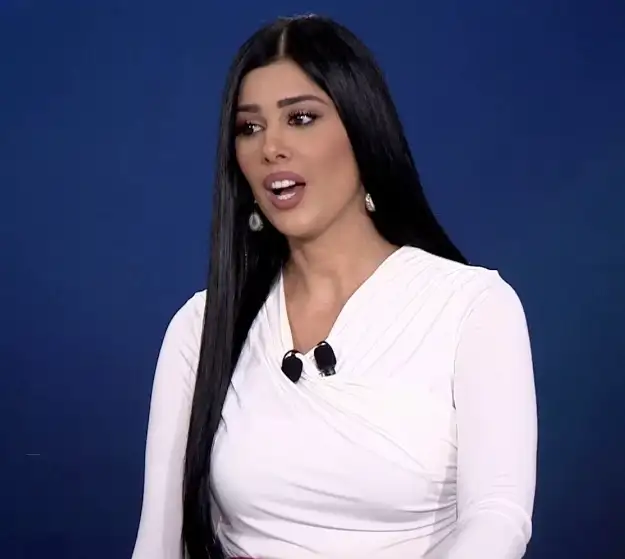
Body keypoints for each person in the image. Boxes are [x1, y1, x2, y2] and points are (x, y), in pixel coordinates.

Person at [131, 14, 538, 559]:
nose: (271, 147)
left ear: (362, 130)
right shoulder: (202, 329)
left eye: (300, 118)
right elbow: (159, 543)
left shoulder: (473, 308)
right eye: (249, 128)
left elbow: (498, 520)